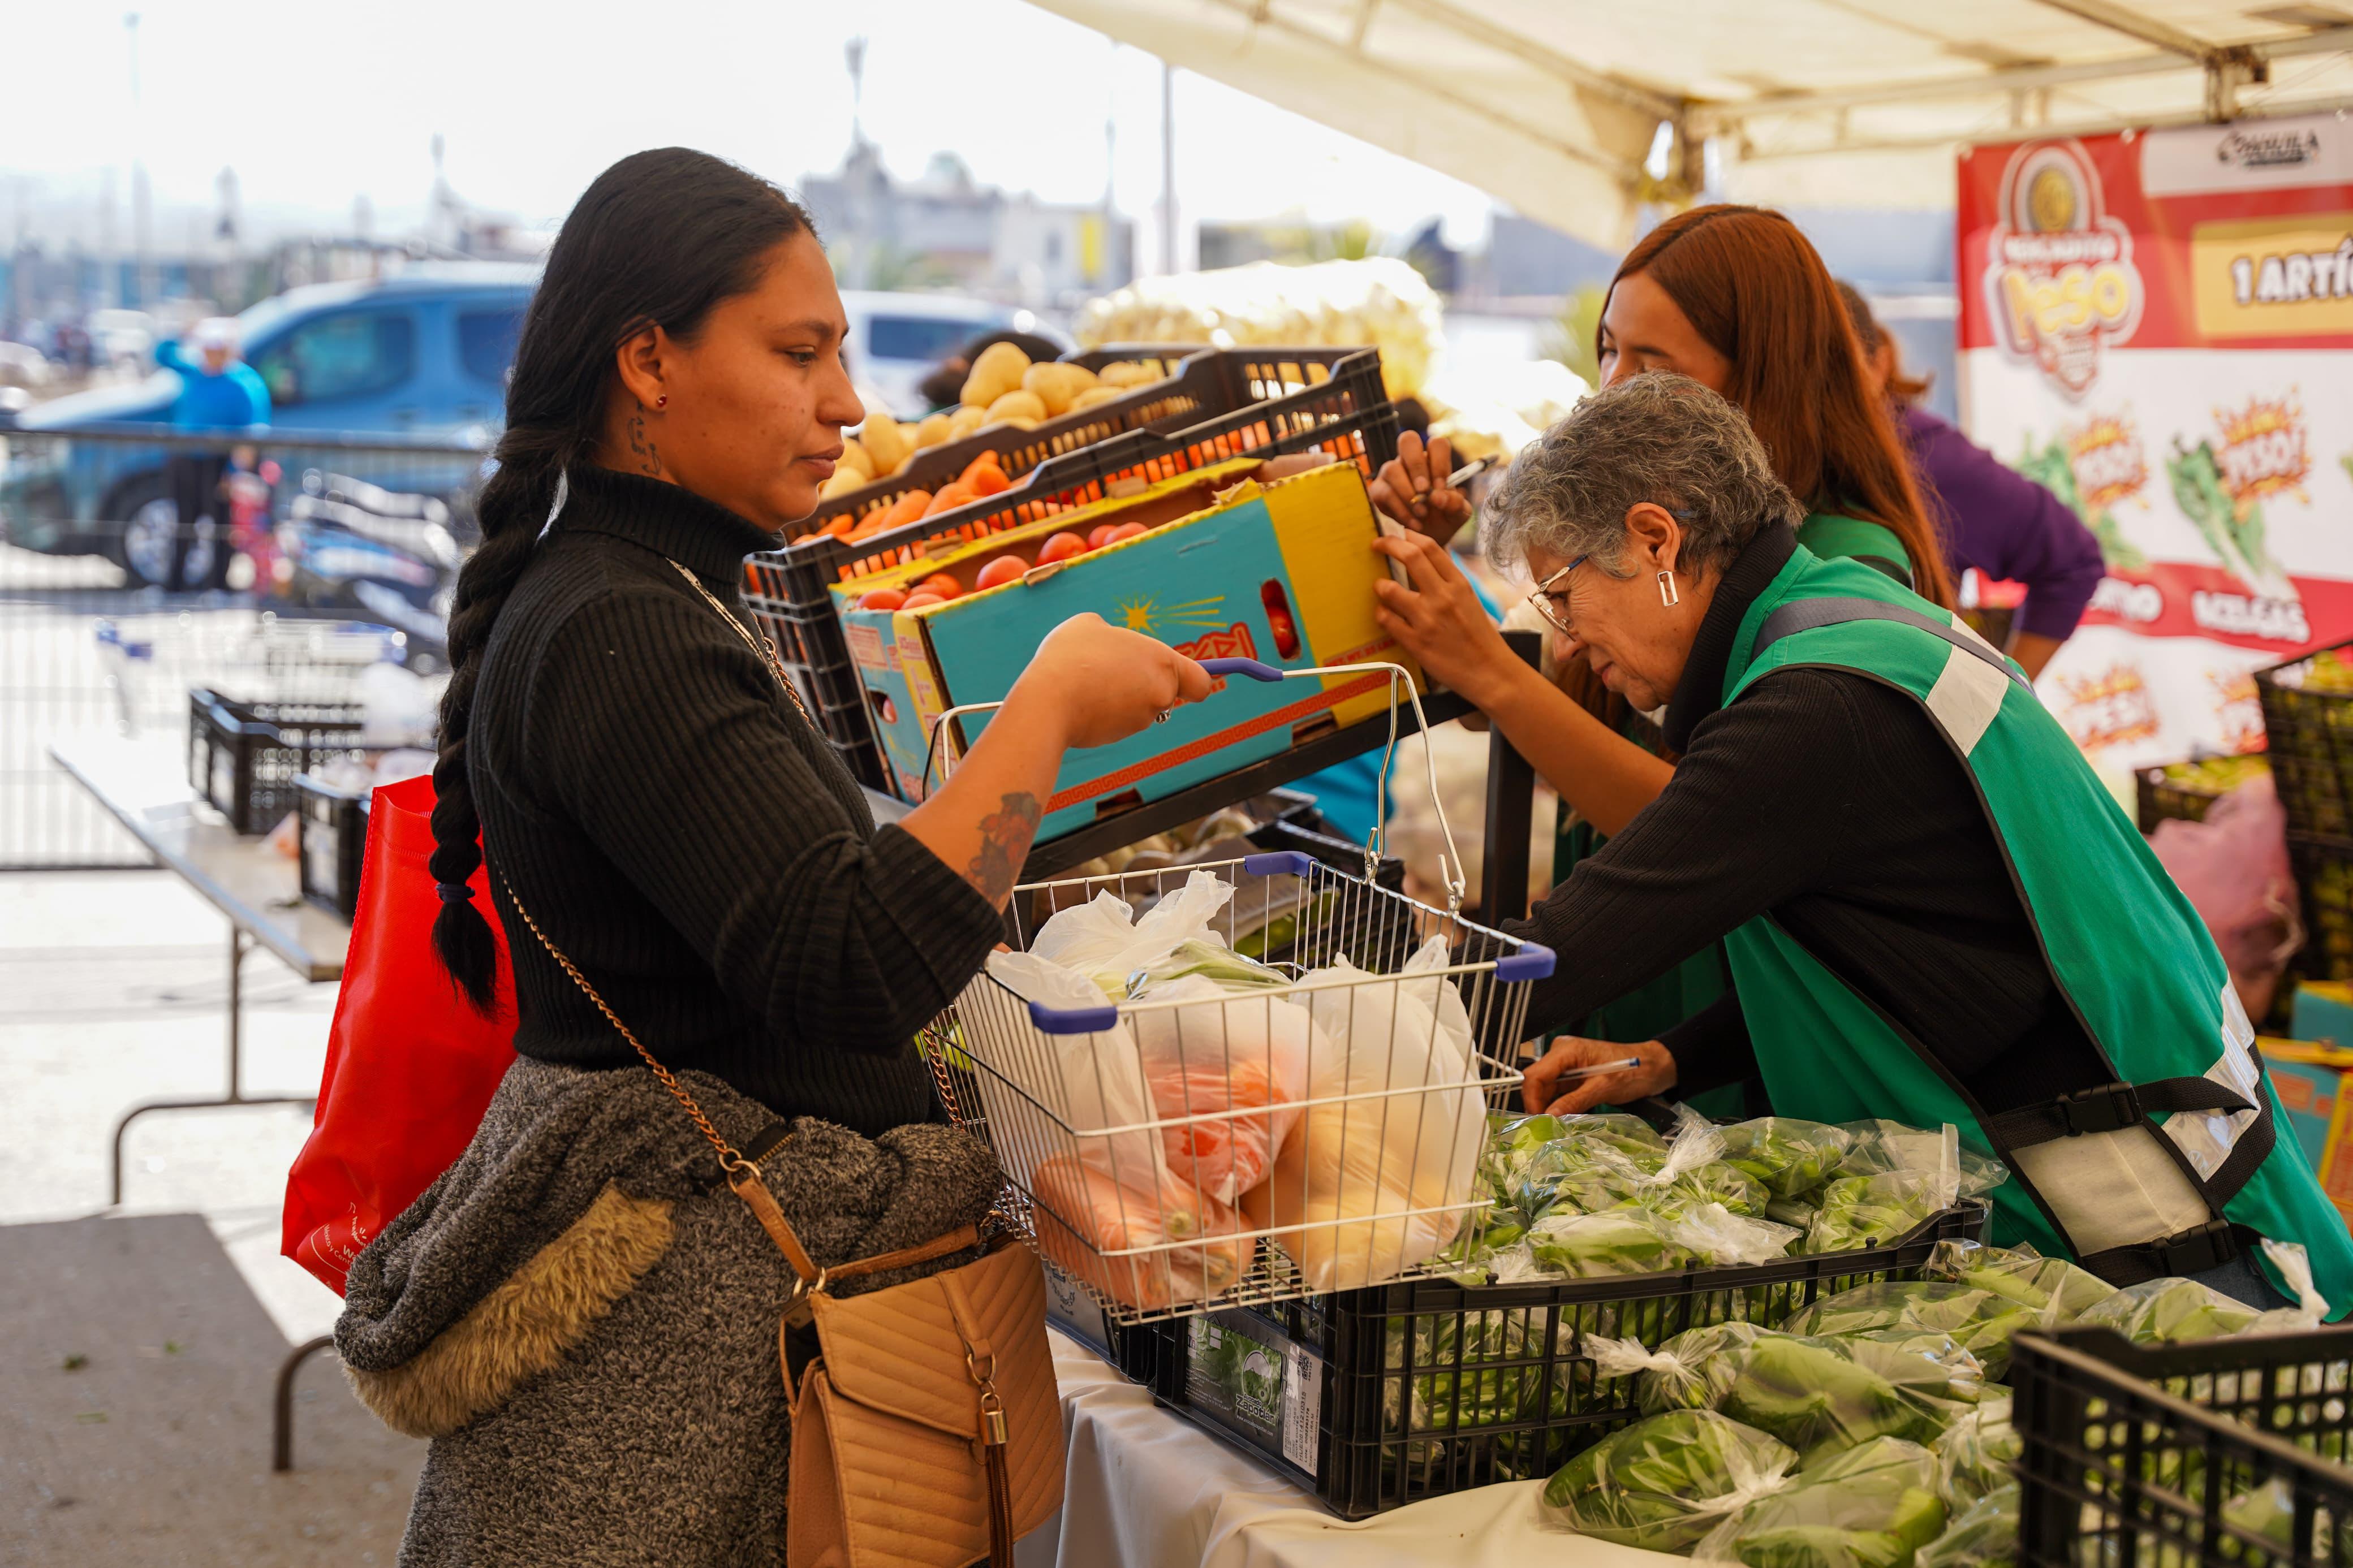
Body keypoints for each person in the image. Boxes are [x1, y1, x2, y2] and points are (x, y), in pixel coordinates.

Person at [329, 149, 1209, 1563]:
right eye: (799, 352)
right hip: (683, 1393)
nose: (847, 401)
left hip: (721, 1346)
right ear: (649, 365)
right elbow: (847, 961)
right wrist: (1042, 707)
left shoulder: (664, 595)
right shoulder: (622, 628)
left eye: (842, 354)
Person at [1378, 372, 2351, 1312]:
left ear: (1655, 539)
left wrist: (1335, 1039)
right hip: (2163, 1160)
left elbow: (1565, 949)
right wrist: (1673, 1056)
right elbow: (1919, 944)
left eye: (1560, 591)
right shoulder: (1849, 615)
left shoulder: (1813, 712)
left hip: (2159, 1229)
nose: (1566, 634)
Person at [1372, 204, 1949, 1099]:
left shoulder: (1841, 571)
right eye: (1608, 350)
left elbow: (1713, 818)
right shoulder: (1674, 549)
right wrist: (1440, 569)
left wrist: (1483, 664)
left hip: (1740, 1026)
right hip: (1649, 1018)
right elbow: (1581, 696)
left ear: (1761, 372)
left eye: (1653, 362)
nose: (1612, 385)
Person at [1838, 282, 2105, 681]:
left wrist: (2001, 696)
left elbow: (2073, 559)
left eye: (1832, 369)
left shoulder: (1931, 462)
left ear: (1879, 365)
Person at [153, 316, 270, 591]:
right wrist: (184, 331)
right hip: (184, 460)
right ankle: (174, 584)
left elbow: (252, 432)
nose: (211, 354)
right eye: (207, 347)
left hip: (220, 465)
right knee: (183, 523)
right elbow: (162, 354)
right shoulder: (194, 372)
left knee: (220, 527)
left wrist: (234, 473)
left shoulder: (243, 383)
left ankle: (218, 584)